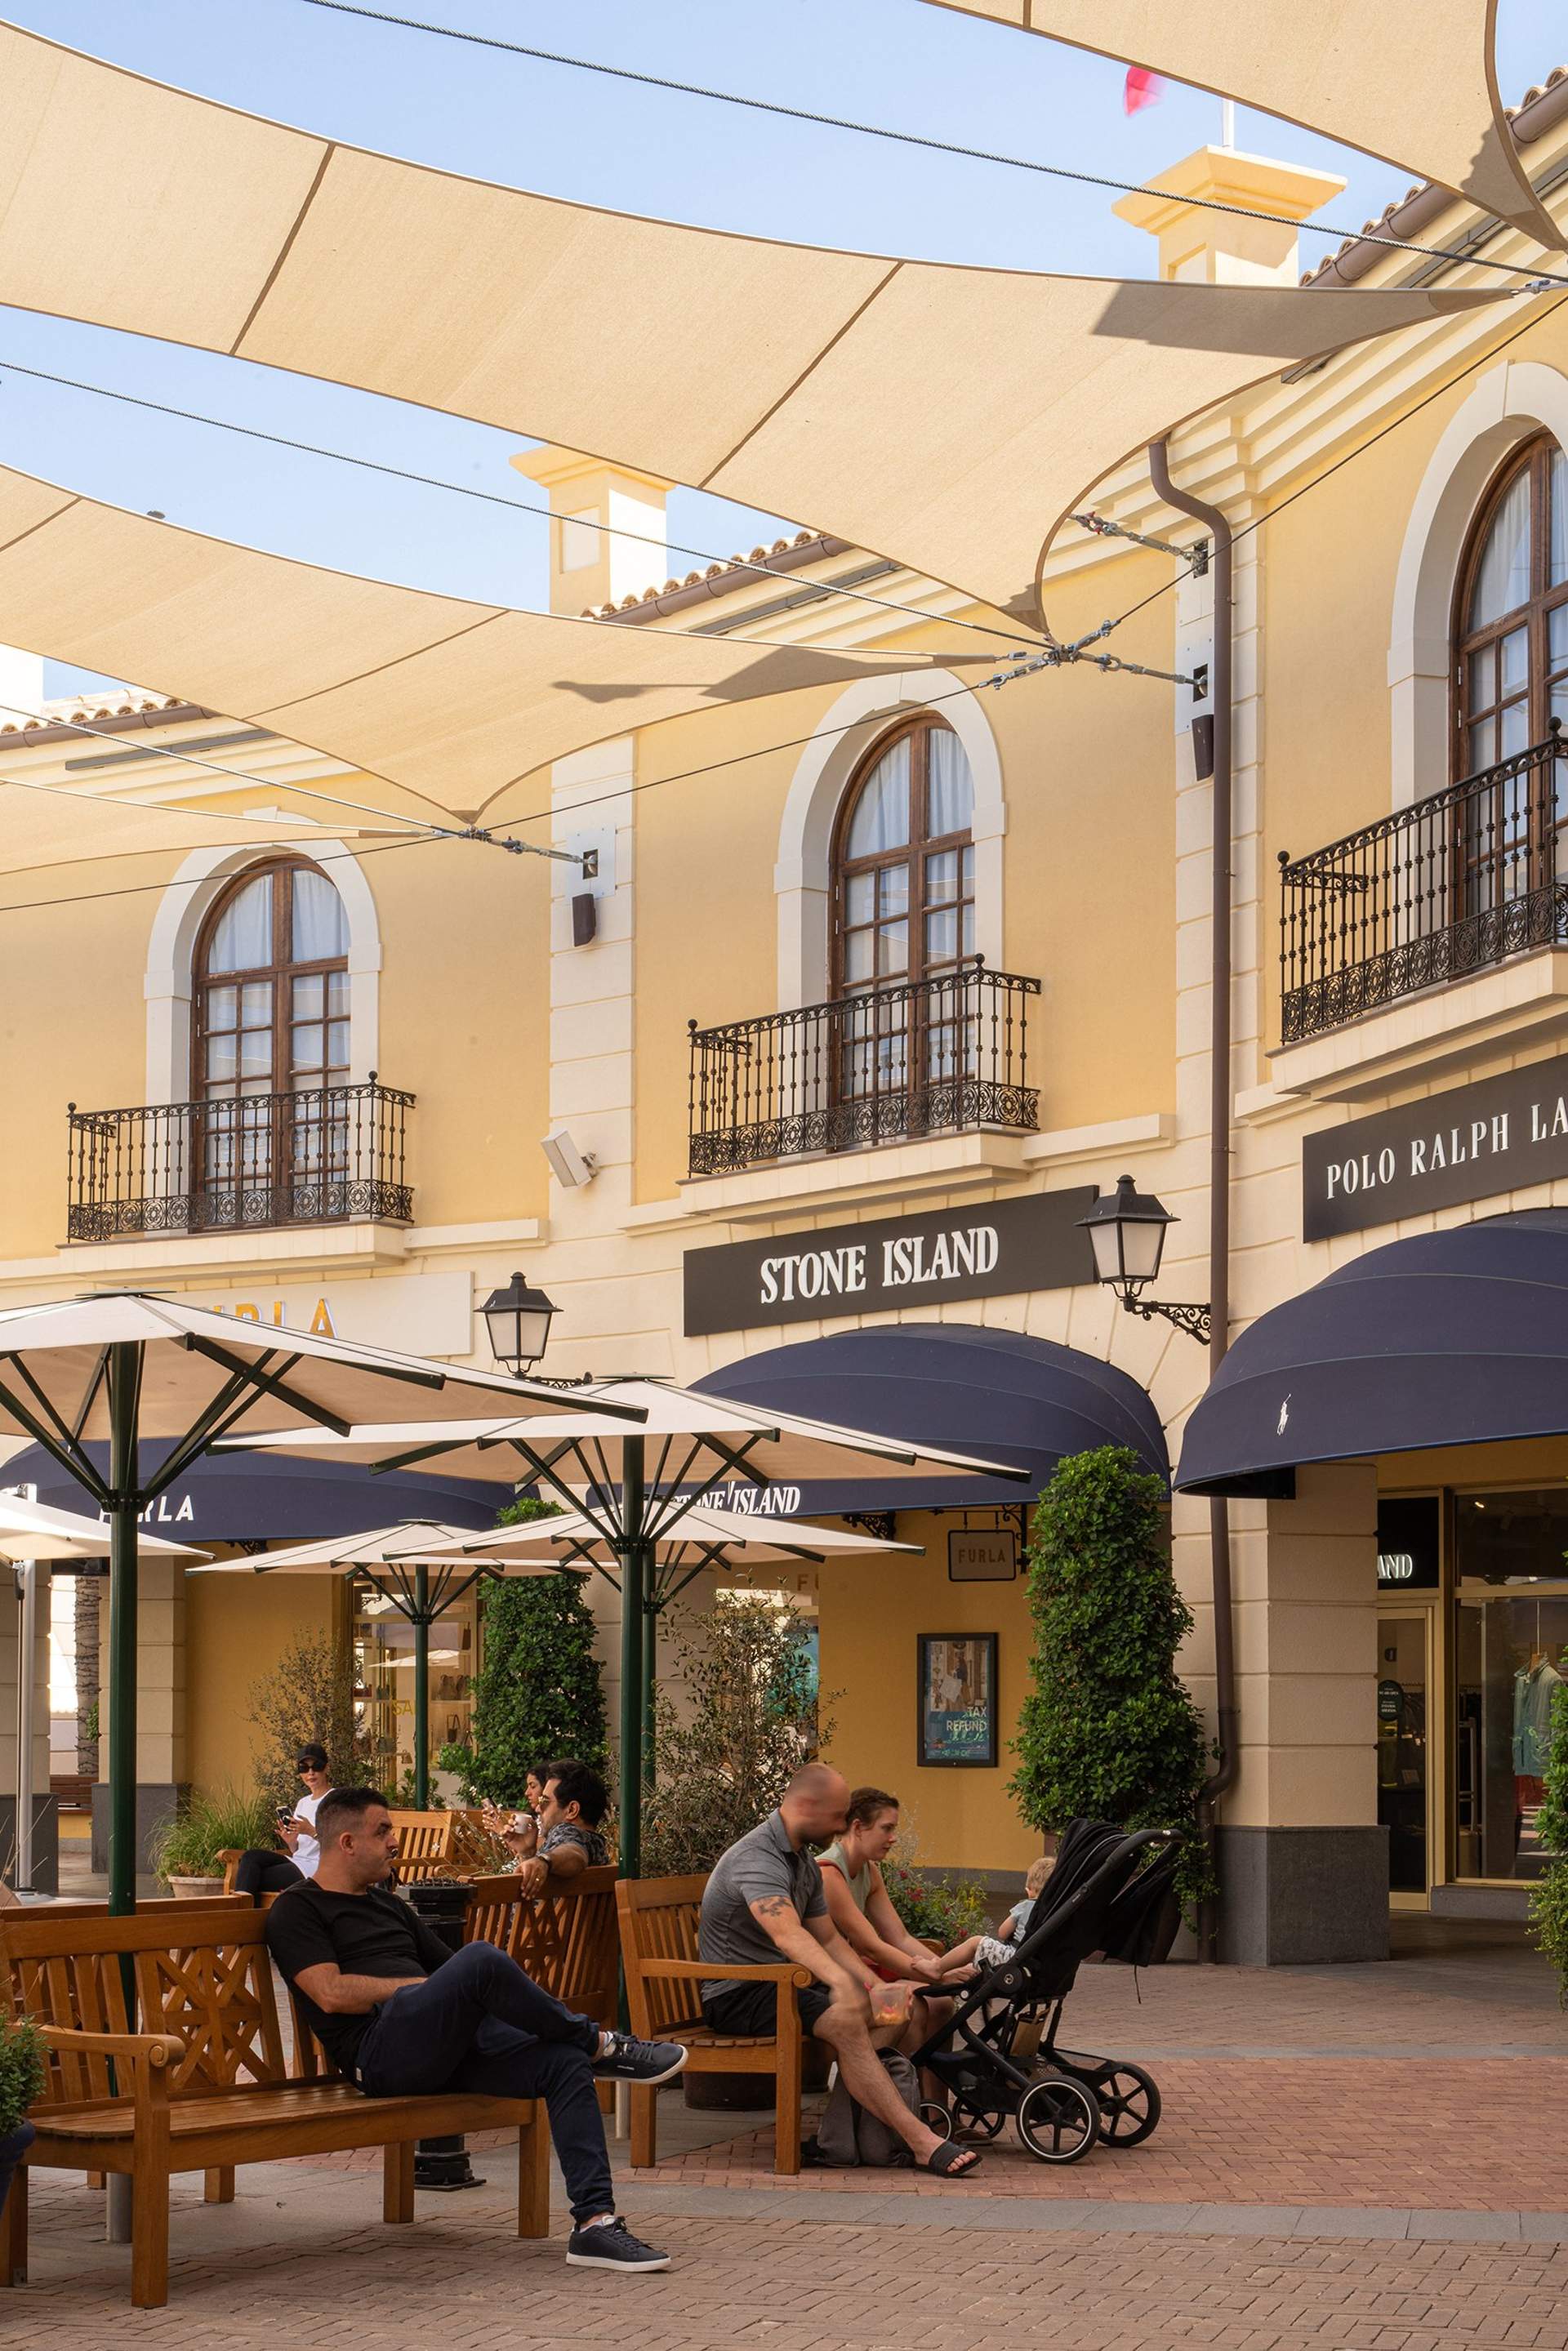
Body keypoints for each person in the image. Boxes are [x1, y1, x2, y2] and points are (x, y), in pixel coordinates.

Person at [265, 1786, 688, 2271]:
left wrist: (464, 2003)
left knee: (562, 2062)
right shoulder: (298, 1908)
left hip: (443, 2048)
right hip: (379, 2056)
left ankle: (594, 2225)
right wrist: (420, 1989)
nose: (395, 1842)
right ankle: (601, 2044)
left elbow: (458, 1984)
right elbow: (331, 1993)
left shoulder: (391, 1907)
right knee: (483, 1959)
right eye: (383, 1831)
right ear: (346, 1843)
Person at [697, 1762, 981, 2179]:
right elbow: (787, 1935)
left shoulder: (801, 1863)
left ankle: (840, 2137)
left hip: (784, 1986)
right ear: (807, 1805)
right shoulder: (757, 1859)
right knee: (848, 2022)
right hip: (739, 1993)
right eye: (837, 1816)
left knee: (893, 2009)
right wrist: (836, 1983)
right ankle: (921, 2140)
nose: (842, 1824)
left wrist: (868, 1986)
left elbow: (829, 1940)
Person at [233, 1744, 332, 1899]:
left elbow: (340, 1845)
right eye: (304, 1768)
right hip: (297, 1860)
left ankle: (238, 1914)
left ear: (326, 1768)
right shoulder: (303, 1802)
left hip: (315, 1867)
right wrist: (291, 1841)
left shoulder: (336, 1800)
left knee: (257, 1878)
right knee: (251, 1857)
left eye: (316, 1767)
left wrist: (311, 1831)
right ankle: (239, 1911)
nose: (310, 1773)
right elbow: (298, 1849)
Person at [506, 1761, 610, 1895]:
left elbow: (575, 1852)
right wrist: (528, 1853)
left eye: (544, 1801)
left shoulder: (567, 1831)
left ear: (572, 1810)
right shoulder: (597, 1845)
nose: (538, 1808)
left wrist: (544, 1861)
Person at [480, 1761, 551, 1862]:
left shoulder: (549, 1823)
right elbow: (501, 1860)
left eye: (533, 1786)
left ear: (547, 1787)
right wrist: (496, 1830)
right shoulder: (530, 1819)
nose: (527, 1793)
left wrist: (501, 1831)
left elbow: (537, 1852)